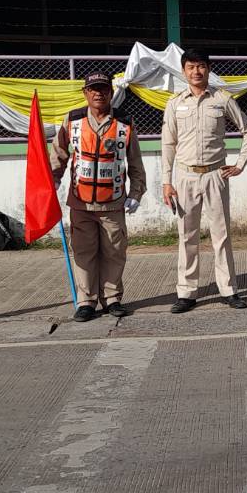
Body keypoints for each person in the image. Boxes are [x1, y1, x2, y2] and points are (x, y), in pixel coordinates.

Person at [161, 50, 247, 313]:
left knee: (221, 236)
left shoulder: (222, 99)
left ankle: (228, 290)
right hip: (185, 176)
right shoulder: (175, 103)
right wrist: (167, 181)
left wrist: (240, 164)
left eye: (201, 66)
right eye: (191, 67)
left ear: (208, 69)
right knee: (187, 236)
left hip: (216, 175)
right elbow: (168, 144)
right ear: (183, 71)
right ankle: (186, 293)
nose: (196, 72)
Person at [52, 72, 145, 321]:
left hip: (112, 201)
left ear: (111, 93)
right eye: (93, 89)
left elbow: (135, 161)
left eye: (103, 89)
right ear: (85, 93)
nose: (98, 93)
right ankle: (86, 301)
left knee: (115, 251)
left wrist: (136, 192)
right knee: (84, 252)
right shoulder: (73, 120)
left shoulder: (124, 122)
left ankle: (112, 299)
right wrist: (52, 179)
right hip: (80, 202)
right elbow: (59, 152)